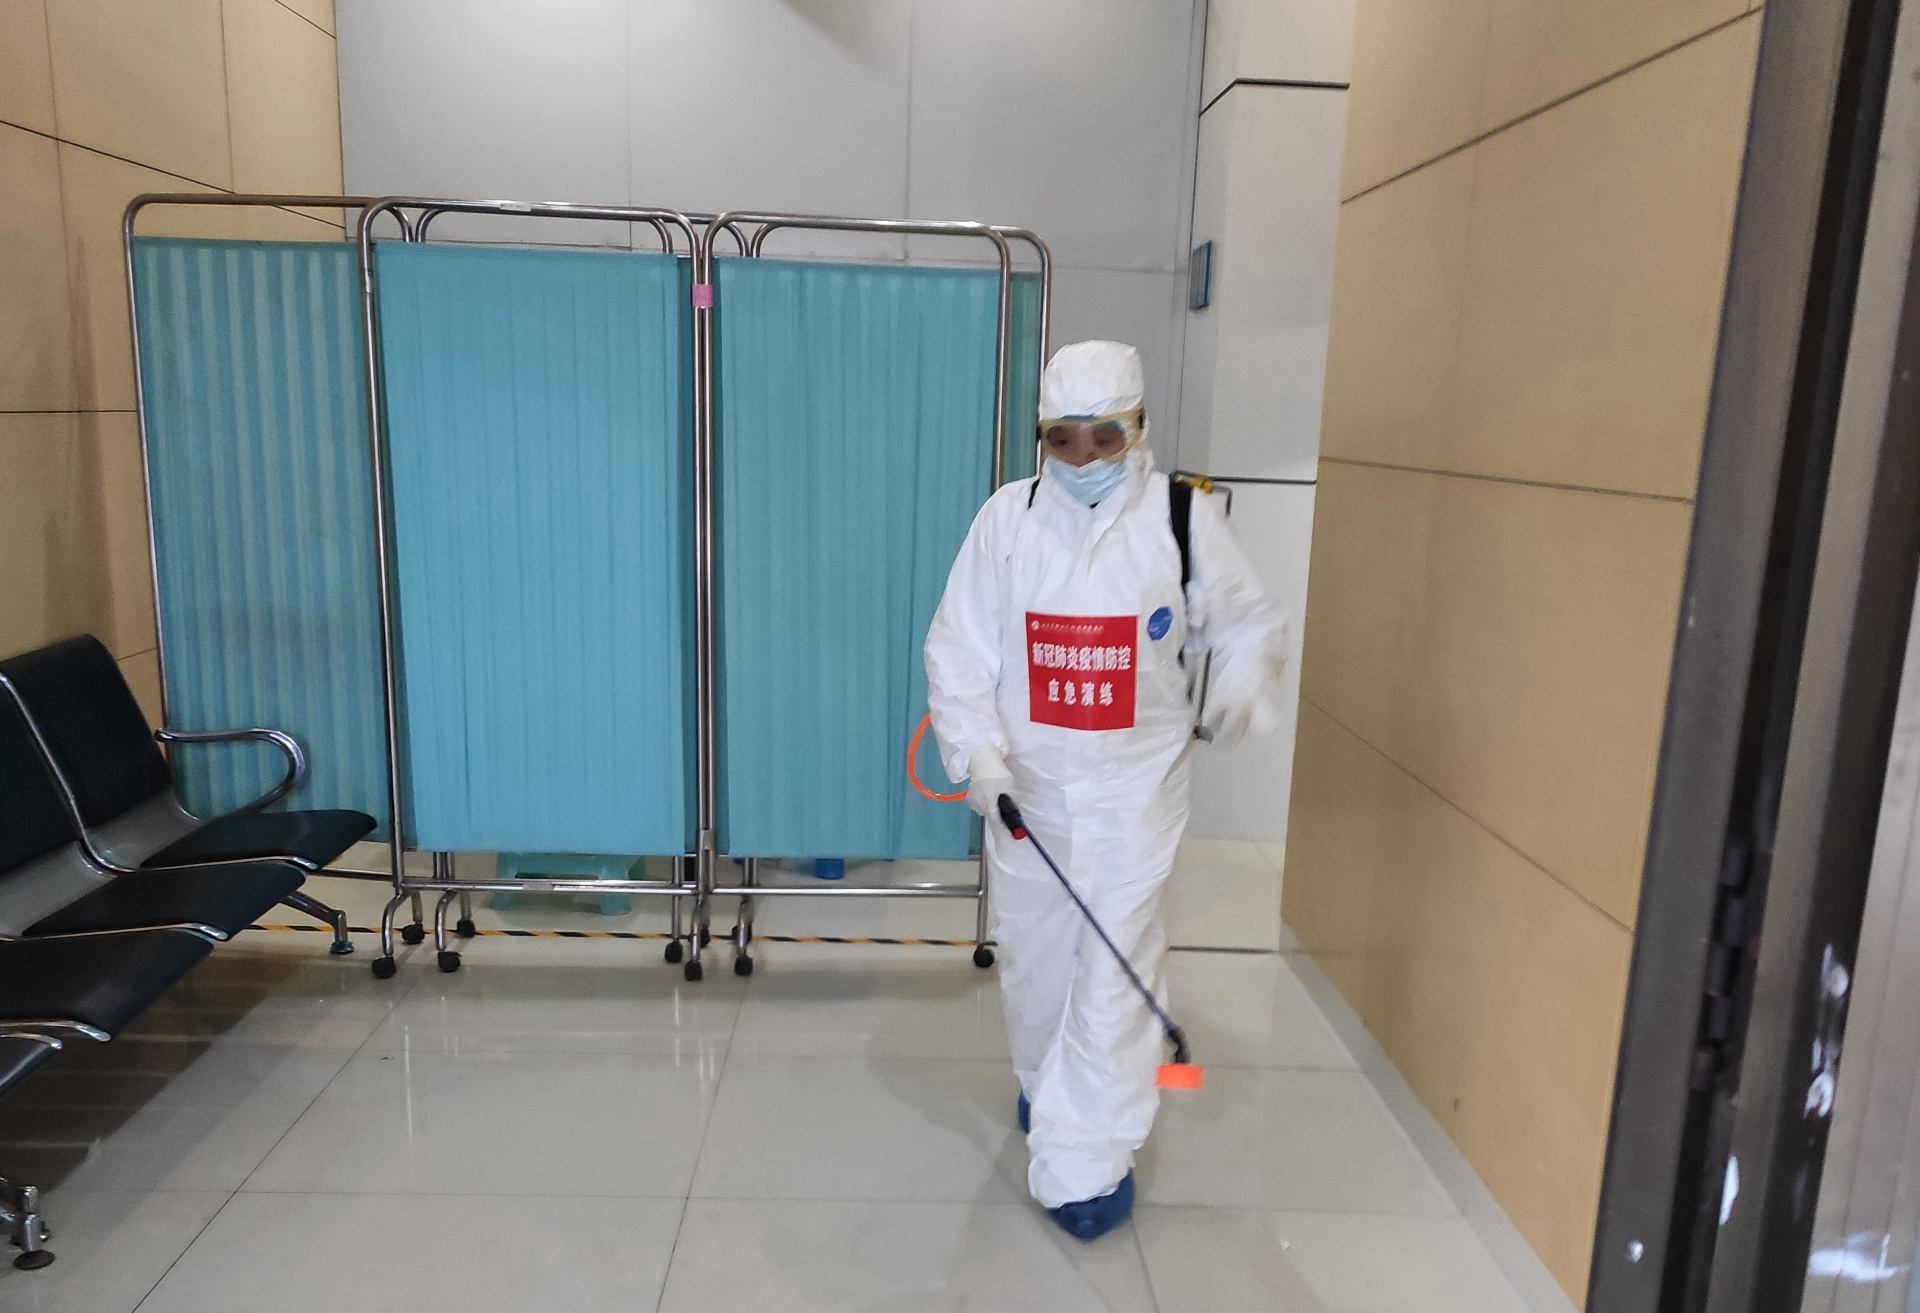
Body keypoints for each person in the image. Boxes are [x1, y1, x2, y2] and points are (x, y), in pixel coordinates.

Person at [924, 340, 1289, 1239]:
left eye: (1105, 437)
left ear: (1139, 430)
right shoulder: (1006, 522)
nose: (1083, 458)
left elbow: (1246, 622)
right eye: (1063, 439)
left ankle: (1084, 1163)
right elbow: (959, 650)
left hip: (1136, 796)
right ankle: (1049, 1082)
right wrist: (981, 757)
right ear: (1041, 437)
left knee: (1115, 979)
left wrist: (1242, 686)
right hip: (1029, 798)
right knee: (1037, 964)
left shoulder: (1181, 518)